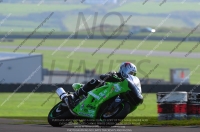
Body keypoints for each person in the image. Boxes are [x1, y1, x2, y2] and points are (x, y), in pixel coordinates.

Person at [65, 62, 143, 107]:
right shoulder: (116, 73)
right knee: (94, 81)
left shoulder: (130, 82)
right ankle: (74, 95)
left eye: (132, 73)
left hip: (116, 93)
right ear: (124, 69)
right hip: (105, 88)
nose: (131, 74)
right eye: (130, 72)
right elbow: (102, 76)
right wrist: (109, 76)